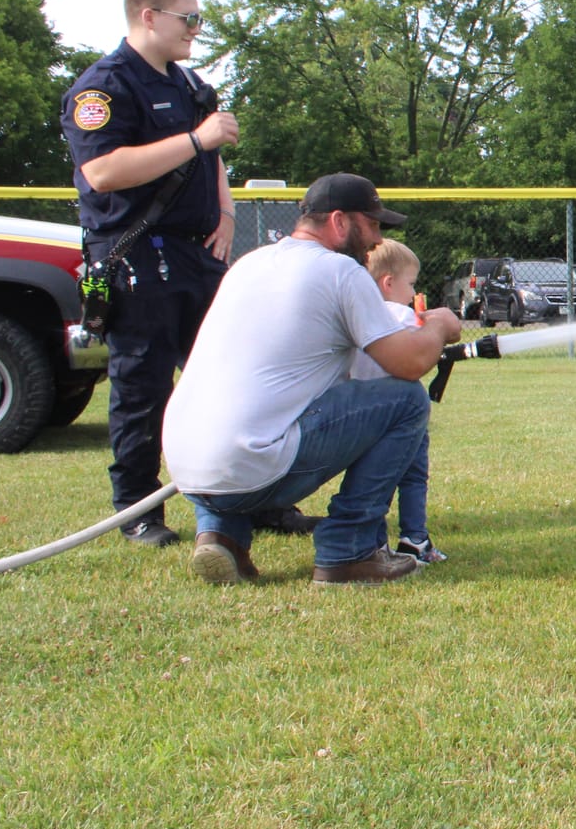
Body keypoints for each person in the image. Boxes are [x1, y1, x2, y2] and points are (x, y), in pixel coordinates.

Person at [59, 0, 313, 546]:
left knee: (240, 384)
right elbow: (102, 172)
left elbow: (211, 160)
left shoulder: (188, 82)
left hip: (196, 255)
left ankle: (259, 500)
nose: (196, 29)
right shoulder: (103, 89)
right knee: (143, 388)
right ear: (149, 16)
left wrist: (224, 215)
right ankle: (138, 512)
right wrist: (197, 139)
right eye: (188, 18)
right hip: (135, 259)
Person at [163, 174, 463, 586]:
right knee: (407, 400)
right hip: (251, 464)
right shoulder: (340, 271)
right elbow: (408, 364)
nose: (377, 239)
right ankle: (349, 551)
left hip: (186, 466)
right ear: (340, 222)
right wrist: (440, 325)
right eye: (372, 224)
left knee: (253, 417)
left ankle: (221, 535)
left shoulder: (248, 264)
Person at [348, 238, 447, 563]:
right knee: (413, 477)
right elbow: (423, 350)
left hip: (362, 418)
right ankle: (415, 539)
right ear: (389, 283)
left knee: (373, 481)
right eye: (411, 284)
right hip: (403, 419)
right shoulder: (400, 316)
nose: (413, 293)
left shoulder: (355, 319)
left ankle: (375, 542)